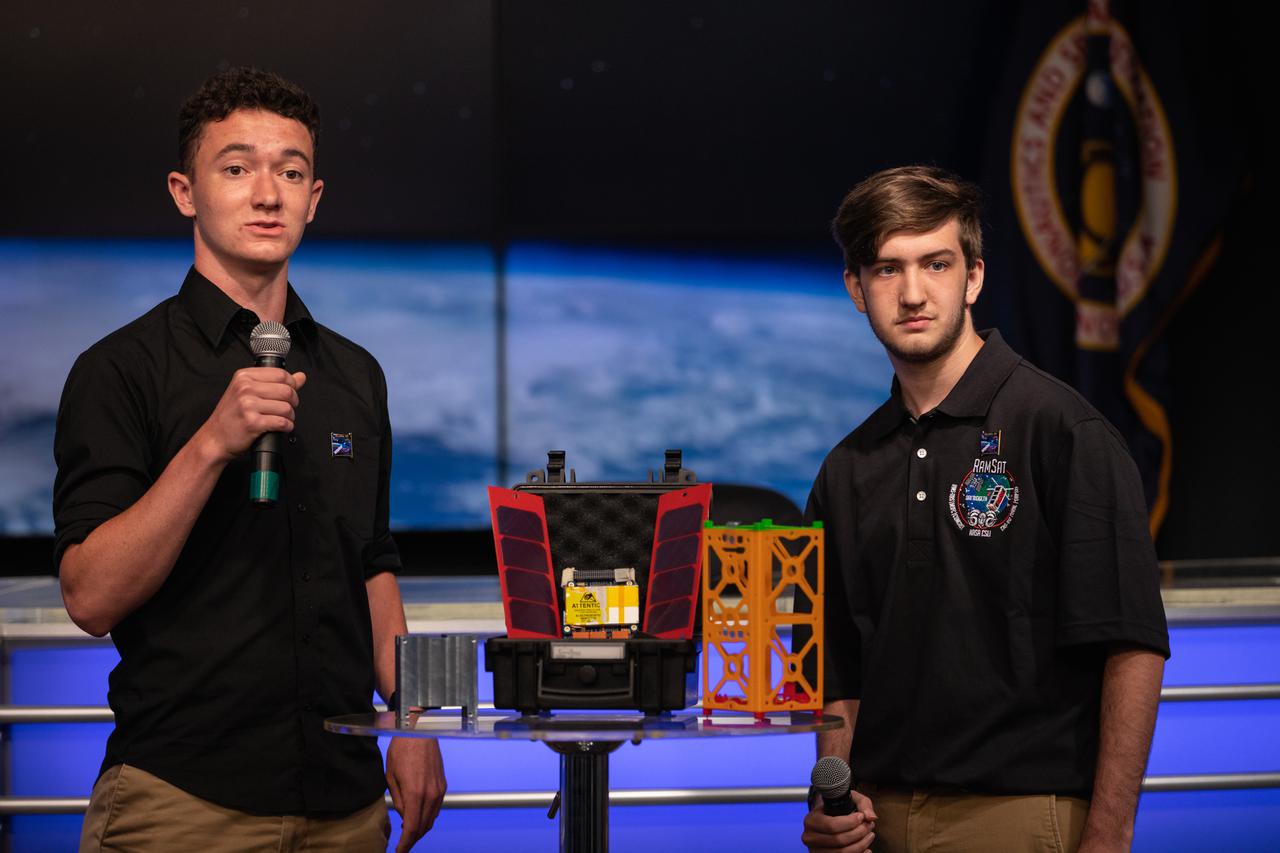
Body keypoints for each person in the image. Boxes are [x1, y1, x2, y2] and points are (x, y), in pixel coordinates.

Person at [53, 67, 445, 852]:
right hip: (184, 801)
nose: (268, 194)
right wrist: (210, 445)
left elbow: (373, 563)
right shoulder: (121, 370)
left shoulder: (355, 374)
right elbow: (91, 596)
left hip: (346, 800)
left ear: (314, 198)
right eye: (237, 168)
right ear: (184, 191)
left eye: (291, 172)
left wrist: (415, 719)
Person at [800, 166, 1169, 853]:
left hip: (1021, 814)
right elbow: (837, 671)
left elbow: (1132, 644)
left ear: (972, 277)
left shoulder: (1062, 431)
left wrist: (1110, 834)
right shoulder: (846, 469)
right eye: (886, 268)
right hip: (877, 823)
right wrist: (834, 797)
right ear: (855, 289)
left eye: (935, 264)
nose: (913, 292)